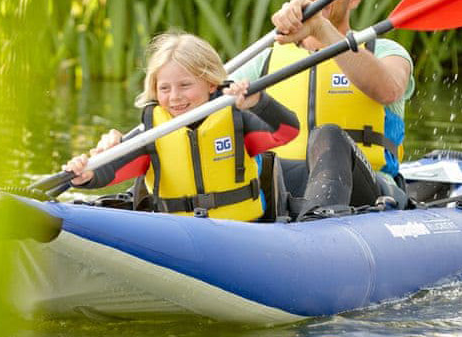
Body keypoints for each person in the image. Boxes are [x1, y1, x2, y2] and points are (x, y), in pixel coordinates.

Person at [230, 0, 415, 217]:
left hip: (367, 191)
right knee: (262, 161)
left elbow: (389, 89)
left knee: (329, 135)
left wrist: (320, 28)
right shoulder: (264, 59)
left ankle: (317, 222)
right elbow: (213, 101)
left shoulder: (385, 51)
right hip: (285, 188)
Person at [63, 31, 299, 222]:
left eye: (185, 85)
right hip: (178, 232)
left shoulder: (237, 119)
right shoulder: (152, 133)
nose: (174, 97)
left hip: (240, 230)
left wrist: (259, 102)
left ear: (211, 84)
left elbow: (288, 131)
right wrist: (86, 175)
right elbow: (112, 170)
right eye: (164, 88)